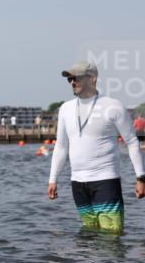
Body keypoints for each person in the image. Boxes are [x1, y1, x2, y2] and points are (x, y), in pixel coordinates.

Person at [48, 61, 145, 233]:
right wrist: (53, 179)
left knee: (111, 237)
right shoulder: (65, 109)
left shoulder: (112, 106)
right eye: (69, 79)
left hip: (105, 181)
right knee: (89, 234)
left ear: (92, 79)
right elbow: (61, 146)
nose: (72, 82)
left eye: (76, 77)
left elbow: (131, 142)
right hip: (77, 184)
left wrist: (141, 178)